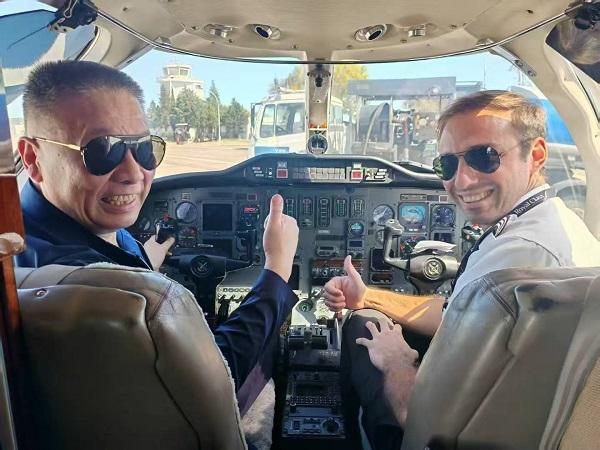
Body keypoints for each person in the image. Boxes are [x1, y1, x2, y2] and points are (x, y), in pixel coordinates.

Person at [14, 60, 299, 412]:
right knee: (269, 346)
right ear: (33, 158)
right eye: (102, 150)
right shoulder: (98, 289)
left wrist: (144, 259)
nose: (134, 173)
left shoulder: (31, 236)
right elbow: (216, 380)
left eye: (145, 148)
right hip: (181, 418)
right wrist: (277, 271)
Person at [324, 90, 600, 449]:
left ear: (535, 155)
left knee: (361, 325)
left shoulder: (518, 263)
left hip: (445, 436)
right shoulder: (550, 224)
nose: (462, 181)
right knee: (369, 310)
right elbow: (453, 313)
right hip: (511, 415)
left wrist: (396, 361)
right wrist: (367, 296)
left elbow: (420, 416)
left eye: (484, 157)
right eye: (448, 165)